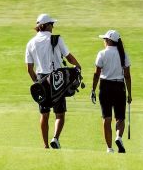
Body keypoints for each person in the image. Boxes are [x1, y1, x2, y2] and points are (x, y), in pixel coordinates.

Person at [25, 13, 81, 149]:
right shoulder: (57, 39)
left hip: (41, 78)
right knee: (60, 114)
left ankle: (45, 145)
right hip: (57, 79)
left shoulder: (31, 43)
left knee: (44, 114)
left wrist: (37, 83)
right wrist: (78, 66)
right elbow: (68, 57)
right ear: (47, 25)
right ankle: (55, 138)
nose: (53, 27)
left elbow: (29, 69)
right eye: (52, 24)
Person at [90, 29, 132, 153]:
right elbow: (127, 76)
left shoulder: (102, 53)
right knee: (120, 118)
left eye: (105, 39)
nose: (104, 41)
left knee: (107, 118)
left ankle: (109, 148)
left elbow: (96, 74)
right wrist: (129, 93)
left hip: (105, 87)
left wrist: (93, 89)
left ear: (109, 40)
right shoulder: (123, 54)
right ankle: (118, 137)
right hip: (119, 87)